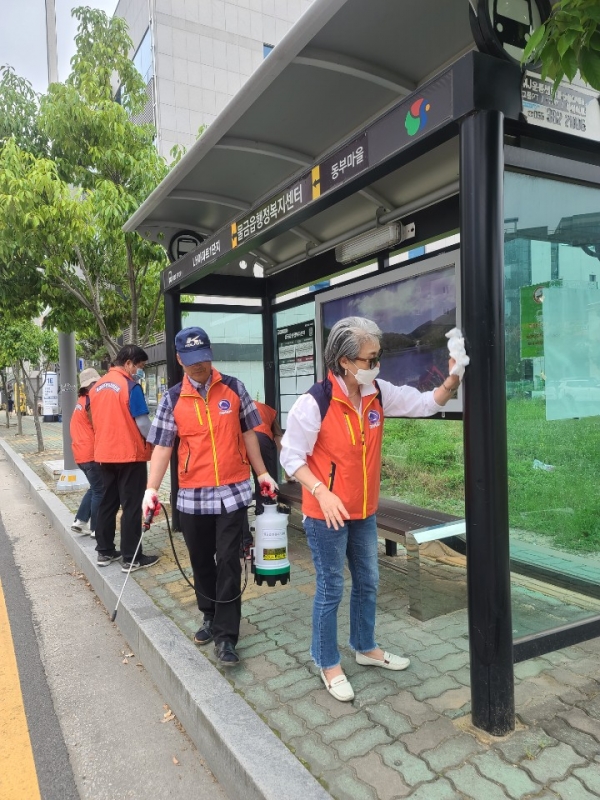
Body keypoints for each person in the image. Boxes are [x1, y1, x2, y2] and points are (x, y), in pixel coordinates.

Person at [280, 316, 465, 702]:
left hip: (363, 510)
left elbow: (425, 404)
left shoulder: (377, 392)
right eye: (369, 359)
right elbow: (291, 457)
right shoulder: (315, 402)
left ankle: (365, 648)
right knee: (331, 588)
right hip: (326, 513)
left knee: (368, 582)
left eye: (377, 357)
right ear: (345, 362)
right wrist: (320, 490)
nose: (376, 365)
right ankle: (326, 661)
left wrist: (451, 381)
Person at [143, 326, 278, 667]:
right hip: (191, 496)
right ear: (178, 360)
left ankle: (226, 636)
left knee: (229, 561)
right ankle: (209, 615)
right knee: (201, 560)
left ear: (210, 353)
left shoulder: (233, 388)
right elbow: (162, 447)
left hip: (232, 492)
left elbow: (250, 433)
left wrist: (261, 472)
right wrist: (150, 490)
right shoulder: (173, 398)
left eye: (202, 359)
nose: (198, 367)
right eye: (190, 362)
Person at [89, 345, 159, 571]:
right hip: (130, 455)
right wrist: (157, 442)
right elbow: (143, 424)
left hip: (104, 455)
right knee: (131, 507)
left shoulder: (96, 387)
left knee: (108, 503)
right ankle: (131, 557)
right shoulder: (130, 386)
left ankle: (105, 551)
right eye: (139, 366)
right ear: (128, 363)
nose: (140, 371)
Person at [240, 400, 283, 558]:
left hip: (241, 441)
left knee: (240, 492)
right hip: (263, 439)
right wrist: (290, 472)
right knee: (266, 489)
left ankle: (245, 545)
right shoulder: (269, 410)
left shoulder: (236, 406)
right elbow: (279, 440)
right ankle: (267, 540)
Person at [70, 368, 104, 537]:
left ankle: (80, 521)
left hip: (80, 453)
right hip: (90, 453)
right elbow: (98, 426)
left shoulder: (81, 400)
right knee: (100, 490)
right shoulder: (91, 402)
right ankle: (96, 528)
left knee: (94, 488)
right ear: (91, 384)